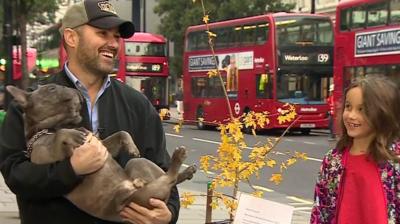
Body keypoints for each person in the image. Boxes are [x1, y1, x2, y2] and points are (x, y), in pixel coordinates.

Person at [0, 0, 180, 224]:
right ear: (71, 37)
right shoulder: (32, 103)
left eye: (116, 37)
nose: (113, 44)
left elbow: (163, 171)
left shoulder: (138, 105)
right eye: (102, 33)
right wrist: (71, 169)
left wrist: (168, 213)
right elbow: (15, 174)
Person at [310, 75, 400, 223]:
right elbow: (319, 213)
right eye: (348, 107)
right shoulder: (332, 161)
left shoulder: (395, 160)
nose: (351, 115)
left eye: (361, 109)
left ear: (382, 113)